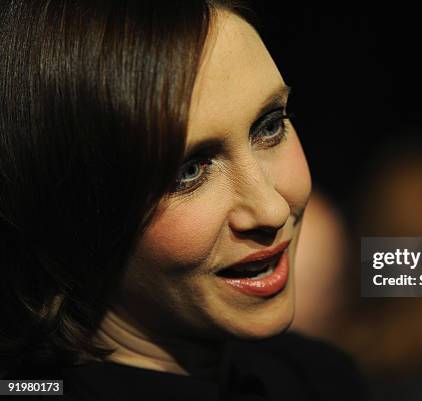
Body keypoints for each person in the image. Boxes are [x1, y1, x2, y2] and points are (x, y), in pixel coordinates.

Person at [0, 1, 367, 399]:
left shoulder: (317, 374)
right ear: (66, 207)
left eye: (270, 126)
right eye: (188, 171)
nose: (271, 209)